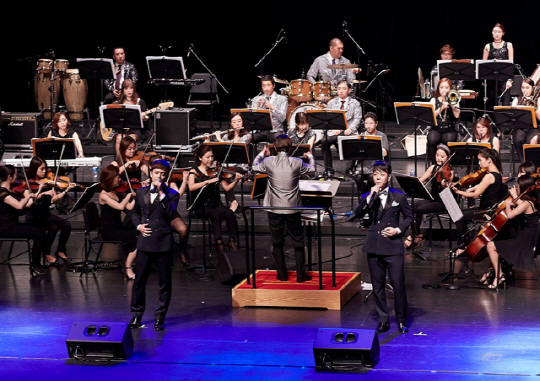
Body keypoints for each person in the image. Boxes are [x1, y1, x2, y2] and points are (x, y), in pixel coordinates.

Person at [353, 161, 412, 334]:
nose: (378, 177)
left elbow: (409, 217)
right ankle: (383, 319)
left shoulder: (399, 196)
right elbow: (358, 213)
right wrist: (370, 197)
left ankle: (401, 320)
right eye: (375, 173)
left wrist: (398, 230)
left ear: (389, 176)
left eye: (382, 174)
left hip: (393, 247)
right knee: (377, 286)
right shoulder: (367, 195)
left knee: (398, 284)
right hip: (374, 246)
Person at [252, 134, 315, 282]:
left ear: (275, 147)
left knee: (277, 241)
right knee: (298, 240)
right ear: (290, 148)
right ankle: (301, 275)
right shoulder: (297, 162)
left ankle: (282, 274)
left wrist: (262, 153)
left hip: (274, 207)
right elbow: (312, 169)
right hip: (292, 208)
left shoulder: (268, 161)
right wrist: (310, 156)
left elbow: (254, 166)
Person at [129, 159, 180, 331]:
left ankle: (160, 318)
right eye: (156, 173)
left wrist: (160, 194)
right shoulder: (141, 192)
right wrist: (138, 226)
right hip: (145, 242)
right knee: (139, 281)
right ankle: (136, 316)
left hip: (163, 242)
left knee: (164, 282)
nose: (159, 176)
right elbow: (134, 213)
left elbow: (170, 213)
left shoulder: (172, 194)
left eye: (163, 174)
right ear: (150, 173)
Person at [188, 145, 239, 277]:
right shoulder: (194, 171)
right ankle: (219, 245)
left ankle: (232, 241)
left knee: (228, 213)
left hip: (215, 203)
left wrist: (236, 180)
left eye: (212, 156)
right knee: (215, 214)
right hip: (200, 205)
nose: (211, 159)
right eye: (208, 157)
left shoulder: (216, 171)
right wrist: (207, 182)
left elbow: (227, 188)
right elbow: (192, 187)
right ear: (200, 158)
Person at [481, 175, 539, 289]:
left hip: (523, 242)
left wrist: (508, 204)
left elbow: (510, 215)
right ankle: (496, 274)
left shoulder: (526, 204)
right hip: (525, 238)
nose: (516, 187)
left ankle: (499, 276)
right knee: (498, 240)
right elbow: (520, 205)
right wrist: (515, 200)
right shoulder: (530, 202)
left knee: (491, 246)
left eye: (518, 185)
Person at [451, 148, 506, 255]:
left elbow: (475, 195)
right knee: (461, 215)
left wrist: (458, 192)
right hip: (490, 209)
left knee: (458, 217)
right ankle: (465, 244)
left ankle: (462, 246)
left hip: (486, 211)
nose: (479, 163)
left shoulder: (489, 176)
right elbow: (483, 186)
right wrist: (471, 188)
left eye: (480, 160)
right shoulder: (497, 173)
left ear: (489, 160)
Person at [25, 156, 75, 265]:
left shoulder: (47, 182)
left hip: (45, 214)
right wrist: (42, 192)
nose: (44, 171)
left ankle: (60, 250)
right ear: (34, 169)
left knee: (66, 225)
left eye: (45, 169)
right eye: (41, 169)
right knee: (53, 226)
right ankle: (46, 253)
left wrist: (67, 189)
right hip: (34, 216)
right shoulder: (29, 183)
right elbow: (29, 199)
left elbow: (54, 199)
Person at [404, 144, 454, 251]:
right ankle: (417, 234)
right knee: (412, 206)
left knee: (420, 209)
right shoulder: (433, 168)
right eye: (437, 155)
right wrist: (413, 182)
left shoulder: (450, 171)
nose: (439, 158)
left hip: (443, 202)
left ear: (447, 158)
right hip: (433, 199)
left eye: (442, 156)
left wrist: (445, 184)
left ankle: (414, 236)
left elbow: (447, 188)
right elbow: (420, 182)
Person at [0, 165, 47, 276]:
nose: (17, 177)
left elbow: (27, 205)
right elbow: (19, 206)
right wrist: (28, 196)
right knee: (39, 233)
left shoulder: (9, 191)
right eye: (15, 175)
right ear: (9, 177)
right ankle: (35, 264)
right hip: (5, 228)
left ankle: (37, 262)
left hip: (12, 225)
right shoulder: (3, 193)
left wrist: (31, 193)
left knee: (41, 229)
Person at [98, 164, 138, 280]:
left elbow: (129, 207)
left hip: (118, 227)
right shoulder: (104, 195)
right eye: (117, 177)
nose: (120, 179)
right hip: (109, 231)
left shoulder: (115, 193)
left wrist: (138, 195)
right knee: (134, 237)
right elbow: (120, 207)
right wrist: (129, 195)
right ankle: (128, 266)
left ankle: (128, 261)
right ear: (110, 178)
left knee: (138, 233)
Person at [320, 80, 362, 176]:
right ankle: (328, 169)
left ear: (349, 90)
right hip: (335, 130)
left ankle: (349, 168)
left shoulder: (355, 103)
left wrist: (350, 129)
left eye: (344, 89)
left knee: (354, 140)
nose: (341, 91)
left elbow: (357, 118)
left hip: (349, 130)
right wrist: (332, 129)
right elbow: (328, 118)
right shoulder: (331, 102)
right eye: (339, 89)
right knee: (324, 141)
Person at [351, 112, 389, 196]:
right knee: (357, 178)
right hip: (363, 166)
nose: (368, 126)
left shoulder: (382, 136)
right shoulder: (361, 135)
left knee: (371, 178)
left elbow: (385, 153)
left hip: (376, 165)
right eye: (366, 123)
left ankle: (368, 196)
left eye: (371, 123)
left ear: (376, 124)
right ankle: (367, 195)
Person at [427, 78, 460, 165]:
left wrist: (452, 104)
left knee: (448, 140)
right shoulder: (434, 100)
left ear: (450, 89)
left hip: (450, 129)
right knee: (431, 140)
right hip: (436, 128)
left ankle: (446, 166)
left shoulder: (454, 98)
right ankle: (435, 166)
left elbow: (457, 115)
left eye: (446, 87)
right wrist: (441, 108)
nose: (444, 90)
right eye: (441, 87)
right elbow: (431, 117)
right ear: (438, 89)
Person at [113, 79, 149, 154]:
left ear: (134, 89)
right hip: (122, 129)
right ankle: (120, 161)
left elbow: (146, 118)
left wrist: (144, 118)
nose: (129, 91)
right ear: (123, 90)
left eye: (131, 88)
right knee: (119, 138)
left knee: (130, 139)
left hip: (136, 129)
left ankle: (130, 160)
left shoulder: (140, 102)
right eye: (126, 88)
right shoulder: (118, 102)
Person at [249, 75, 288, 144]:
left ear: (274, 86)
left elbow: (282, 118)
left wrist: (272, 107)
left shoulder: (282, 99)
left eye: (268, 85)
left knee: (280, 140)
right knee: (248, 138)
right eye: (264, 86)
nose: (266, 88)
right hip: (261, 131)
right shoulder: (256, 99)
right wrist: (257, 108)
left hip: (276, 131)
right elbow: (252, 119)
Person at [482, 23, 514, 106]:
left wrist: (510, 80)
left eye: (499, 32)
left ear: (503, 33)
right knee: (492, 103)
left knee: (506, 103)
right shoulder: (488, 46)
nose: (497, 34)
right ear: (492, 33)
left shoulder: (508, 45)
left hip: (505, 79)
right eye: (495, 31)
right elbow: (482, 65)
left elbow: (511, 64)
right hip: (492, 79)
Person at [511, 78, 540, 162]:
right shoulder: (517, 100)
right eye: (523, 88)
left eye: (527, 88)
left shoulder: (538, 100)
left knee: (533, 140)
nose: (525, 90)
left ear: (532, 88)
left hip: (534, 128)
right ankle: (523, 163)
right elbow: (512, 115)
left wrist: (534, 108)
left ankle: (531, 164)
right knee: (518, 140)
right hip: (521, 128)